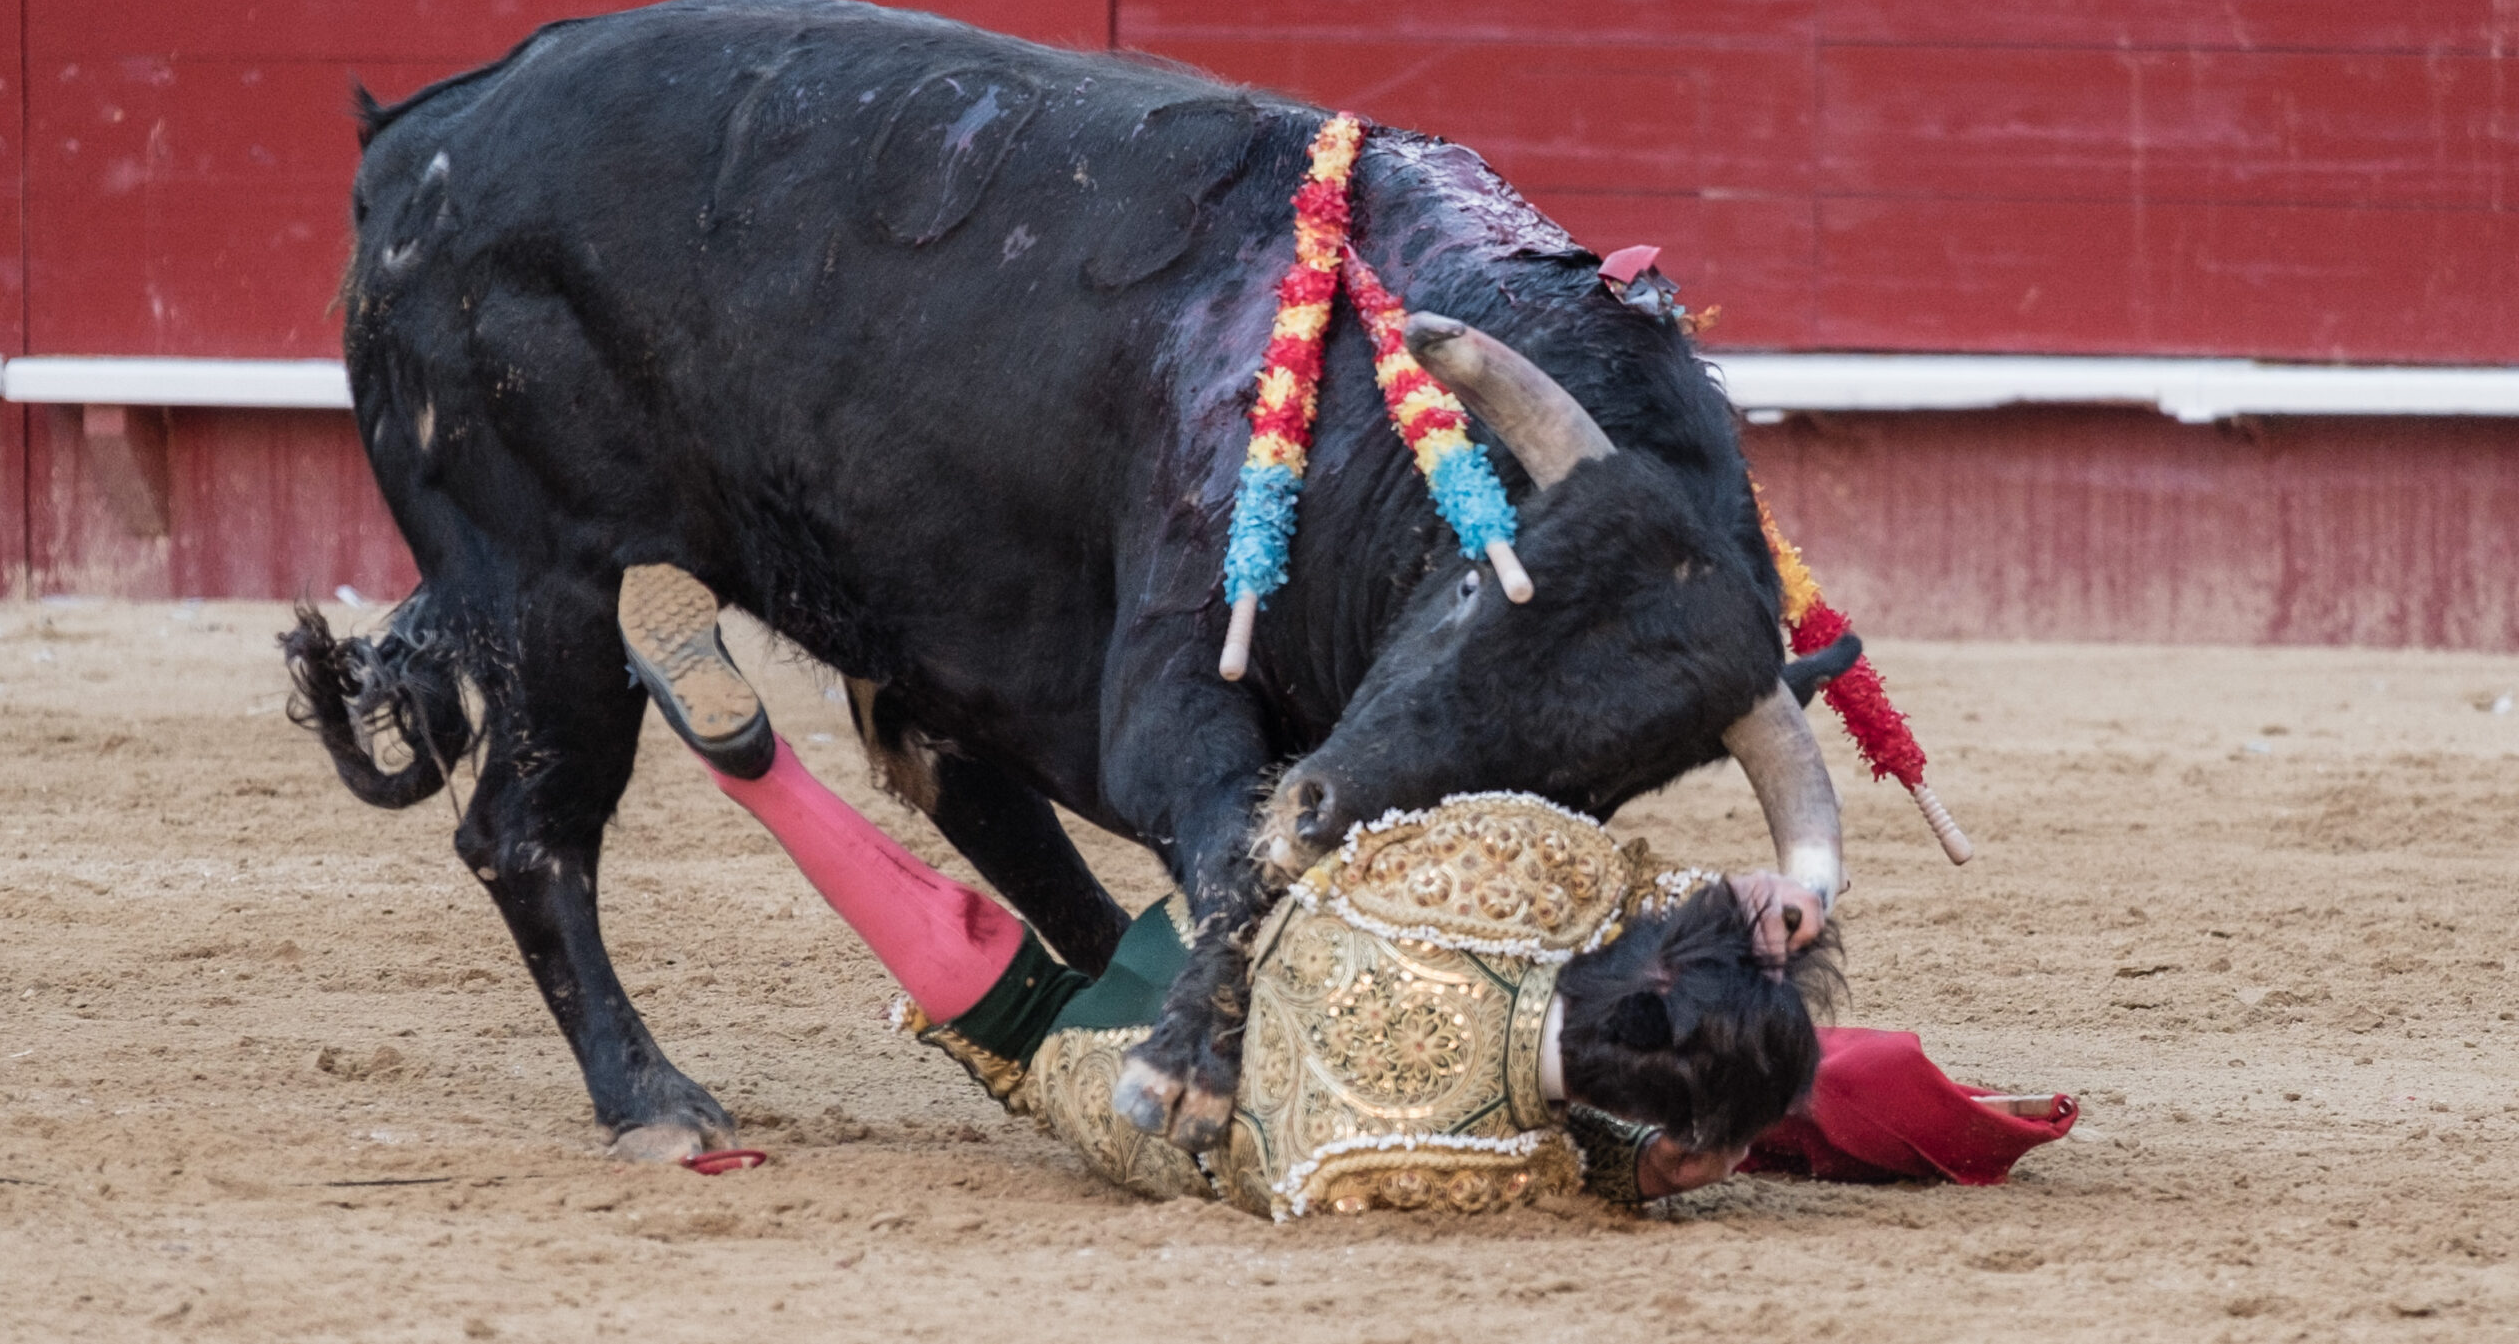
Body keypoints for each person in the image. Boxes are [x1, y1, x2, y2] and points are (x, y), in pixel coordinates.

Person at [618, 564, 2072, 1211]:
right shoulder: (1455, 1157)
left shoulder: (1529, 868)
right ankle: (764, 777)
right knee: (988, 971)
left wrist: (1739, 897)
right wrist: (1650, 1169)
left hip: (1217, 922)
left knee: (1234, 839)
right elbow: (1270, 1168)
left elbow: (1641, 898)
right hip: (1170, 1082)